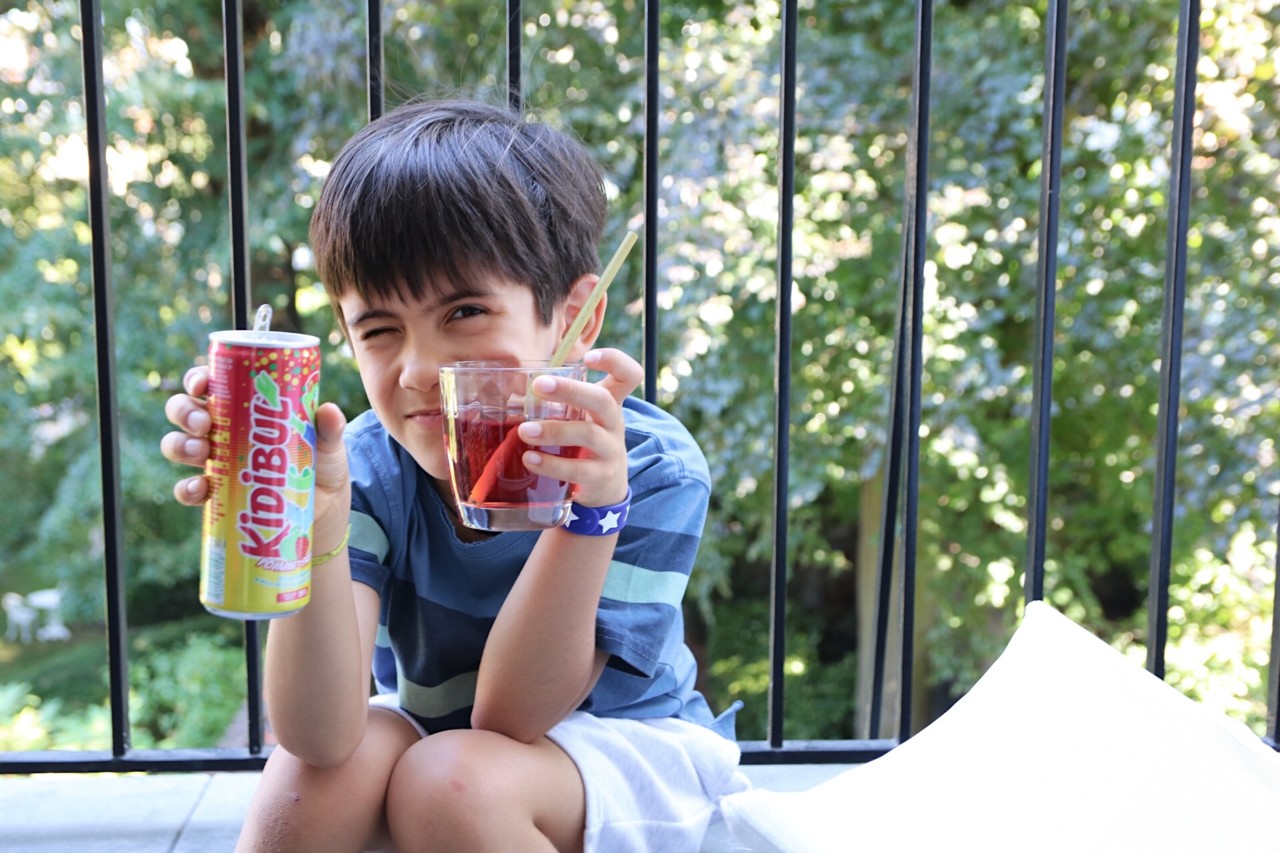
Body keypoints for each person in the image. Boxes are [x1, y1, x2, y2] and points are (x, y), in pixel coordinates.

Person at [161, 98, 744, 852]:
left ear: (576, 319)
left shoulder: (645, 465)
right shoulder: (369, 465)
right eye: (379, 330)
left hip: (629, 753)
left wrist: (592, 512)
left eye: (465, 312)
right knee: (316, 777)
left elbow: (511, 715)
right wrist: (317, 527)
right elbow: (318, 733)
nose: (420, 369)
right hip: (448, 744)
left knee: (451, 782)